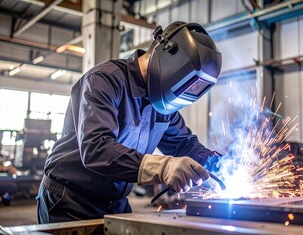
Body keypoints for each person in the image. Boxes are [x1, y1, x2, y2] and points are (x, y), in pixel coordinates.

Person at [37, 21, 222, 223]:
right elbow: (97, 149)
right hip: (70, 199)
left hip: (115, 201)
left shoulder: (163, 103)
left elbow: (183, 144)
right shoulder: (105, 80)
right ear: (168, 57)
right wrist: (163, 167)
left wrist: (218, 163)